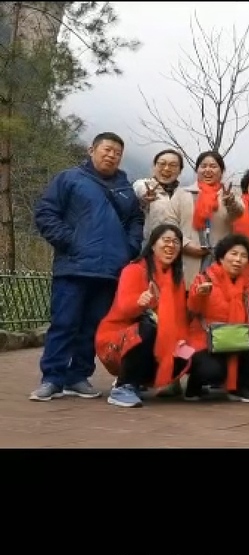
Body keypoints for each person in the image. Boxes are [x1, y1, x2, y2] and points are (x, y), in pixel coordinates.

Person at [30, 131, 144, 402]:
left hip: (109, 271)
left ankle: (78, 376)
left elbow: (136, 221)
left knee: (93, 327)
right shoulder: (69, 179)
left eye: (117, 152)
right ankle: (52, 379)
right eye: (107, 149)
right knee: (64, 323)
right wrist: (70, 241)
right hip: (73, 266)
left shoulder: (125, 189)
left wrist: (128, 248)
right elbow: (46, 213)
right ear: (91, 150)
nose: (111, 155)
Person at [96, 224, 192, 408]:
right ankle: (123, 386)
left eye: (176, 242)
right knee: (147, 328)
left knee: (186, 352)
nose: (171, 245)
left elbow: (179, 318)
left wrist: (181, 342)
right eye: (166, 240)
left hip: (155, 337)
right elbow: (124, 308)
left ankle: (139, 380)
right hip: (117, 337)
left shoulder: (176, 279)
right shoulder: (134, 270)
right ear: (153, 245)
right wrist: (139, 302)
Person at [185, 234, 249, 402]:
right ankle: (194, 385)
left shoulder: (246, 285)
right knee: (212, 371)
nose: (238, 259)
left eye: (243, 256)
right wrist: (199, 295)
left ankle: (240, 388)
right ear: (222, 256)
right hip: (207, 339)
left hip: (235, 338)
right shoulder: (204, 278)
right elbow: (192, 309)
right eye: (234, 253)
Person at [164, 150, 244, 288]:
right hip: (185, 260)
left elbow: (238, 213)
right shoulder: (182, 194)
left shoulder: (230, 196)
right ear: (197, 170)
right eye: (203, 166)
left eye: (213, 166)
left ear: (222, 171)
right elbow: (168, 223)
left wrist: (229, 202)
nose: (208, 170)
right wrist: (185, 244)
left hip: (217, 263)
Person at [132, 149, 185, 240]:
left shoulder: (184, 195)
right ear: (154, 167)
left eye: (173, 165)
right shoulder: (143, 185)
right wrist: (145, 195)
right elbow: (140, 190)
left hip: (176, 245)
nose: (166, 168)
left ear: (180, 170)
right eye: (162, 164)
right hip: (148, 245)